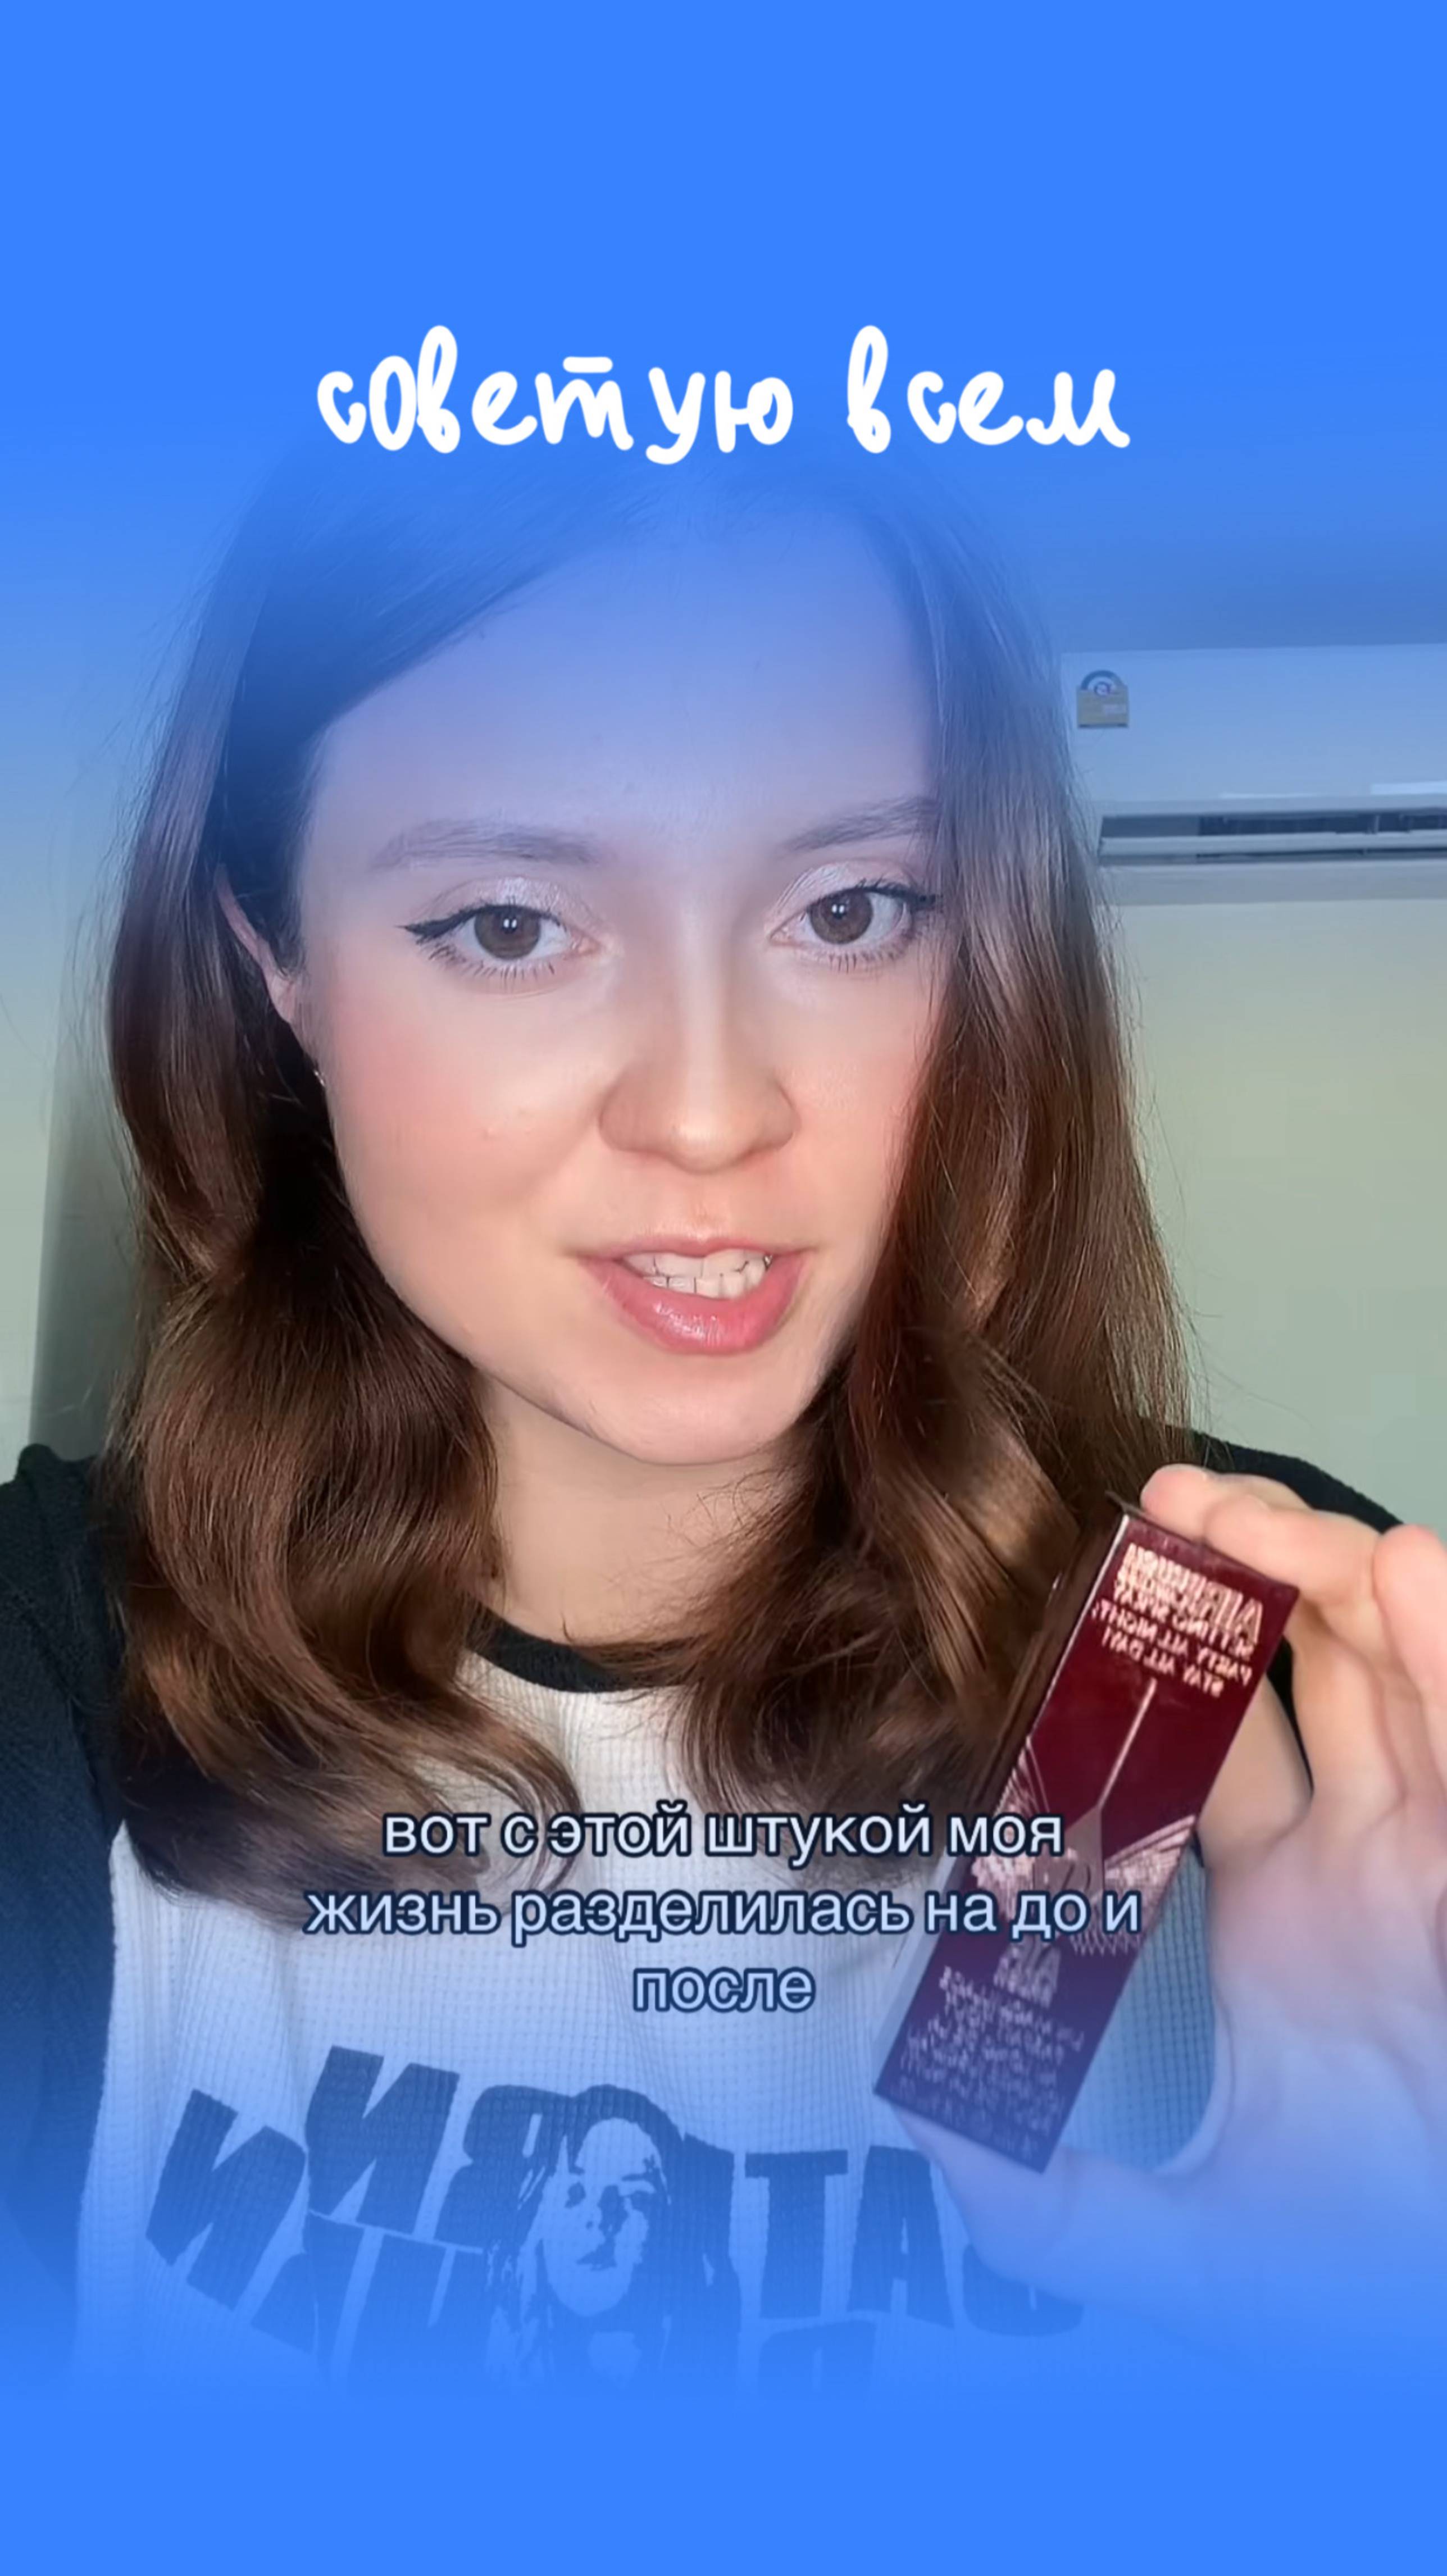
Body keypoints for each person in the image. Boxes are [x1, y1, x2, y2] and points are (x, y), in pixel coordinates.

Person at [1, 437, 1443, 2391]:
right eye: (511, 924)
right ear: (276, 959)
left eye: (851, 909)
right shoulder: (49, 1681)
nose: (708, 1112)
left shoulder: (1271, 1669)